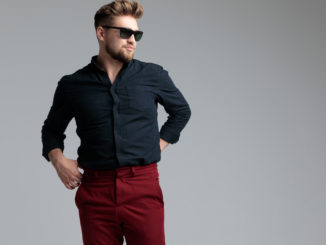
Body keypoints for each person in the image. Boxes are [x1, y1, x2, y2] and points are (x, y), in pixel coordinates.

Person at [41, 0, 191, 244]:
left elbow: (181, 111)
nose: (132, 39)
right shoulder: (73, 84)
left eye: (136, 34)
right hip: (95, 191)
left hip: (142, 187)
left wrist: (157, 145)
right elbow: (51, 130)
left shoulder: (153, 75)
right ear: (101, 33)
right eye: (125, 32)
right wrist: (58, 161)